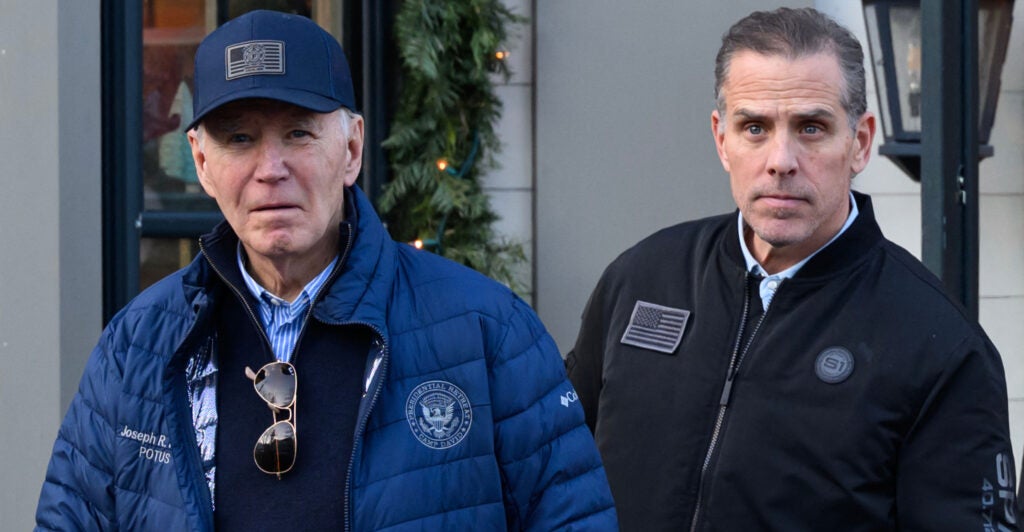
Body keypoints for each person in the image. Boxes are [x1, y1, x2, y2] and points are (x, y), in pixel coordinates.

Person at [36, 10, 616, 531]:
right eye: (239, 138)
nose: (271, 168)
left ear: (352, 149)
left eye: (298, 133)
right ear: (202, 162)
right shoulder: (138, 345)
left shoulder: (489, 331)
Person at [566, 7, 1017, 531]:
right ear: (721, 139)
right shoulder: (640, 279)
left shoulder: (940, 346)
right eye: (754, 127)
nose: (780, 159)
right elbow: (555, 473)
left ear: (860, 142)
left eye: (810, 127)